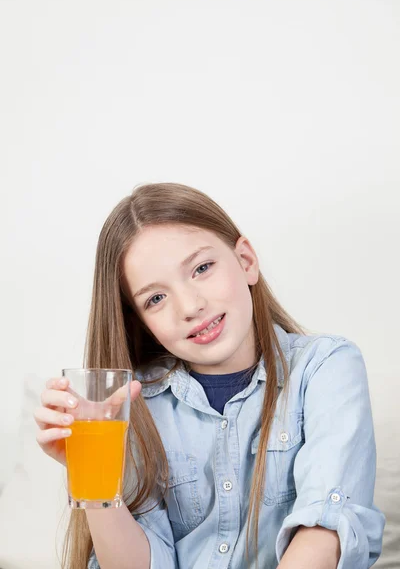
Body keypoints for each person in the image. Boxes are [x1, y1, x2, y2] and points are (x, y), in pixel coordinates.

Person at [34, 182, 385, 569]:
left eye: (202, 268)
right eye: (156, 298)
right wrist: (90, 472)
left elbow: (323, 536)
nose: (190, 306)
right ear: (140, 322)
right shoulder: (134, 404)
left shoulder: (326, 368)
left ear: (246, 260)